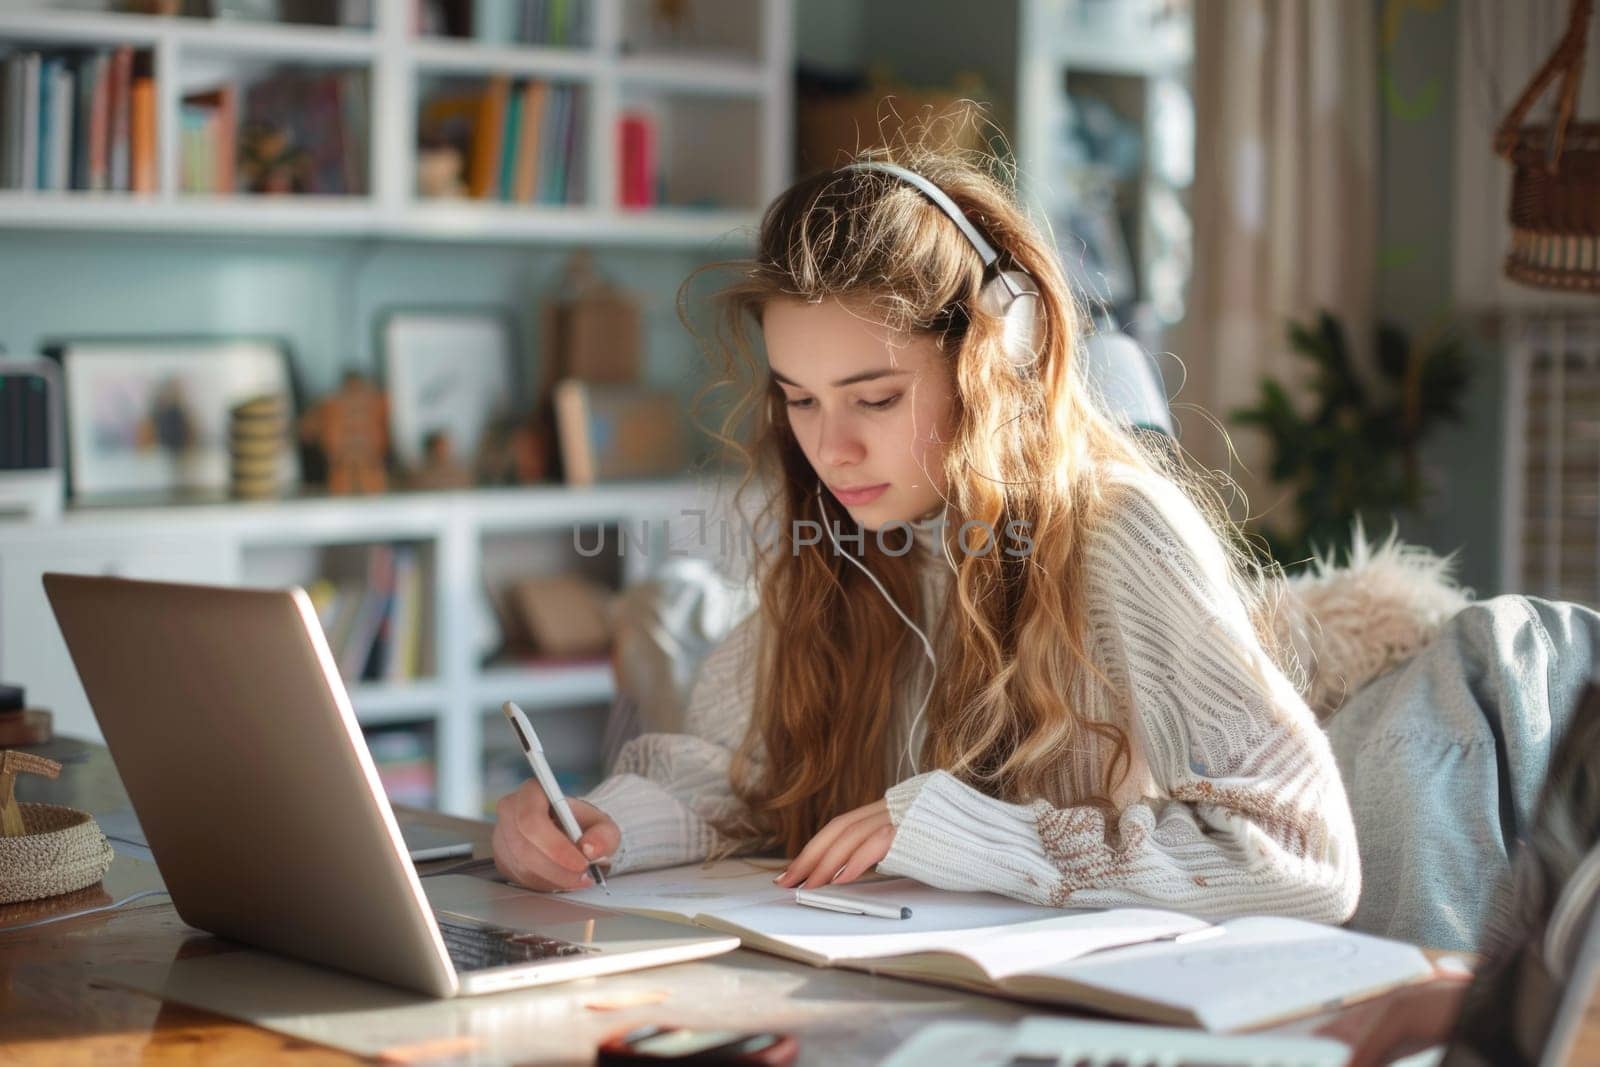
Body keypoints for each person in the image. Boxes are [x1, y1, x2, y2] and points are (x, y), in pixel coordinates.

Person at [492, 143, 1361, 923]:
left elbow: (1307, 855)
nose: (832, 448)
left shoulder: (1118, 531)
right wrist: (603, 826)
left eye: (876, 398)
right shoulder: (845, 535)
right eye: (800, 398)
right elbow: (736, 773)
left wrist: (965, 833)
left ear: (992, 361)